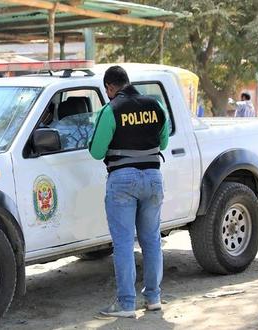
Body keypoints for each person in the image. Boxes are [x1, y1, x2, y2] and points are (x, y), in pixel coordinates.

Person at [88, 66, 169, 318]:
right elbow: (163, 142)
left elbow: (96, 151)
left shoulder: (110, 110)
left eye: (107, 90)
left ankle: (125, 304)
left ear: (110, 87)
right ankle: (153, 298)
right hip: (154, 177)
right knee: (152, 240)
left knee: (124, 243)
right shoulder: (156, 106)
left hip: (122, 179)